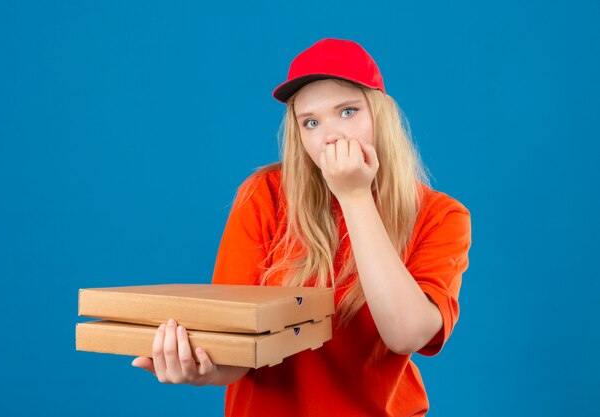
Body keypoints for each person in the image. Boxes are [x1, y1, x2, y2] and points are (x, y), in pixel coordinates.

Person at [132, 38, 472, 417]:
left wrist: (355, 197)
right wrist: (202, 368)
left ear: (382, 113)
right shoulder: (263, 196)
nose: (330, 135)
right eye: (311, 122)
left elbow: (407, 334)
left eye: (347, 112)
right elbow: (238, 346)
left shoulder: (439, 215)